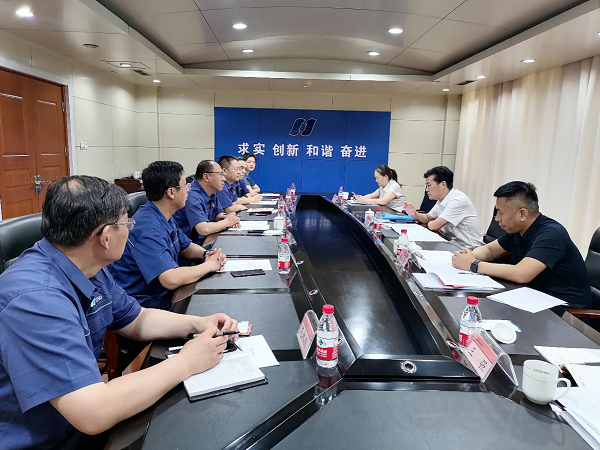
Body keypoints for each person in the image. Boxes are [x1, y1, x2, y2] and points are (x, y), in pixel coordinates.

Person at [0, 176, 238, 449]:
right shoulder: (35, 299)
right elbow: (93, 412)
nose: (130, 231)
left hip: (74, 421)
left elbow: (138, 319)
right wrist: (187, 362)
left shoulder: (87, 265)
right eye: (127, 224)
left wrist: (198, 323)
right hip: (48, 440)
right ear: (105, 237)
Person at [452, 181, 592, 308]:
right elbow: (490, 250)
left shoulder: (551, 234)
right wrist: (468, 256)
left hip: (565, 311)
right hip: (534, 298)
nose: (497, 218)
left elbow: (521, 274)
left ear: (522, 214)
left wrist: (473, 265)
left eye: (500, 212)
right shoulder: (517, 231)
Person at [111, 161, 227, 311]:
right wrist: (209, 265)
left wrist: (206, 254)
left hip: (164, 294)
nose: (189, 190)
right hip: (144, 305)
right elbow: (170, 279)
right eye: (186, 186)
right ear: (171, 192)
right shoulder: (149, 227)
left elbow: (186, 247)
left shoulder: (163, 215)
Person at [403, 166, 484, 249]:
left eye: (429, 185)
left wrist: (430, 223)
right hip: (450, 243)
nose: (427, 190)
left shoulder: (458, 200)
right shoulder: (442, 200)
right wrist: (413, 213)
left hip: (469, 249)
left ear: (443, 184)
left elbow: (434, 226)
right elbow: (427, 218)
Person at [173, 160, 240, 245]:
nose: (224, 179)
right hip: (189, 247)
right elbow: (203, 229)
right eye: (220, 174)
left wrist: (227, 217)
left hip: (205, 240)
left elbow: (218, 214)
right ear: (206, 177)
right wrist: (226, 222)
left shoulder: (212, 192)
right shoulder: (192, 196)